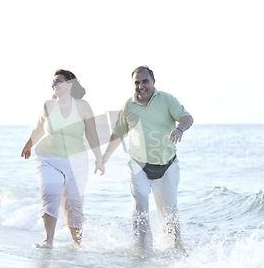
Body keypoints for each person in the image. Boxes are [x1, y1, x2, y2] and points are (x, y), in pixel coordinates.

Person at [101, 65, 193, 254]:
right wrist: (105, 157)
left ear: (153, 82)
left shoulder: (166, 99)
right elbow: (118, 134)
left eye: (145, 81)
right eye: (137, 82)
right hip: (138, 165)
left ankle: (175, 249)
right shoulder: (129, 105)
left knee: (169, 211)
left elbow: (187, 117)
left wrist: (179, 129)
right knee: (140, 204)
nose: (141, 86)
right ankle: (142, 250)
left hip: (167, 165)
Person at [21, 69, 105, 248]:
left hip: (77, 162)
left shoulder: (83, 106)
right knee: (50, 194)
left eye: (58, 81)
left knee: (74, 205)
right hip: (48, 160)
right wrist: (28, 145)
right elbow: (38, 130)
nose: (54, 84)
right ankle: (48, 241)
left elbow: (92, 134)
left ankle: (78, 245)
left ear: (69, 84)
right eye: (53, 82)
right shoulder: (48, 106)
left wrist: (99, 158)